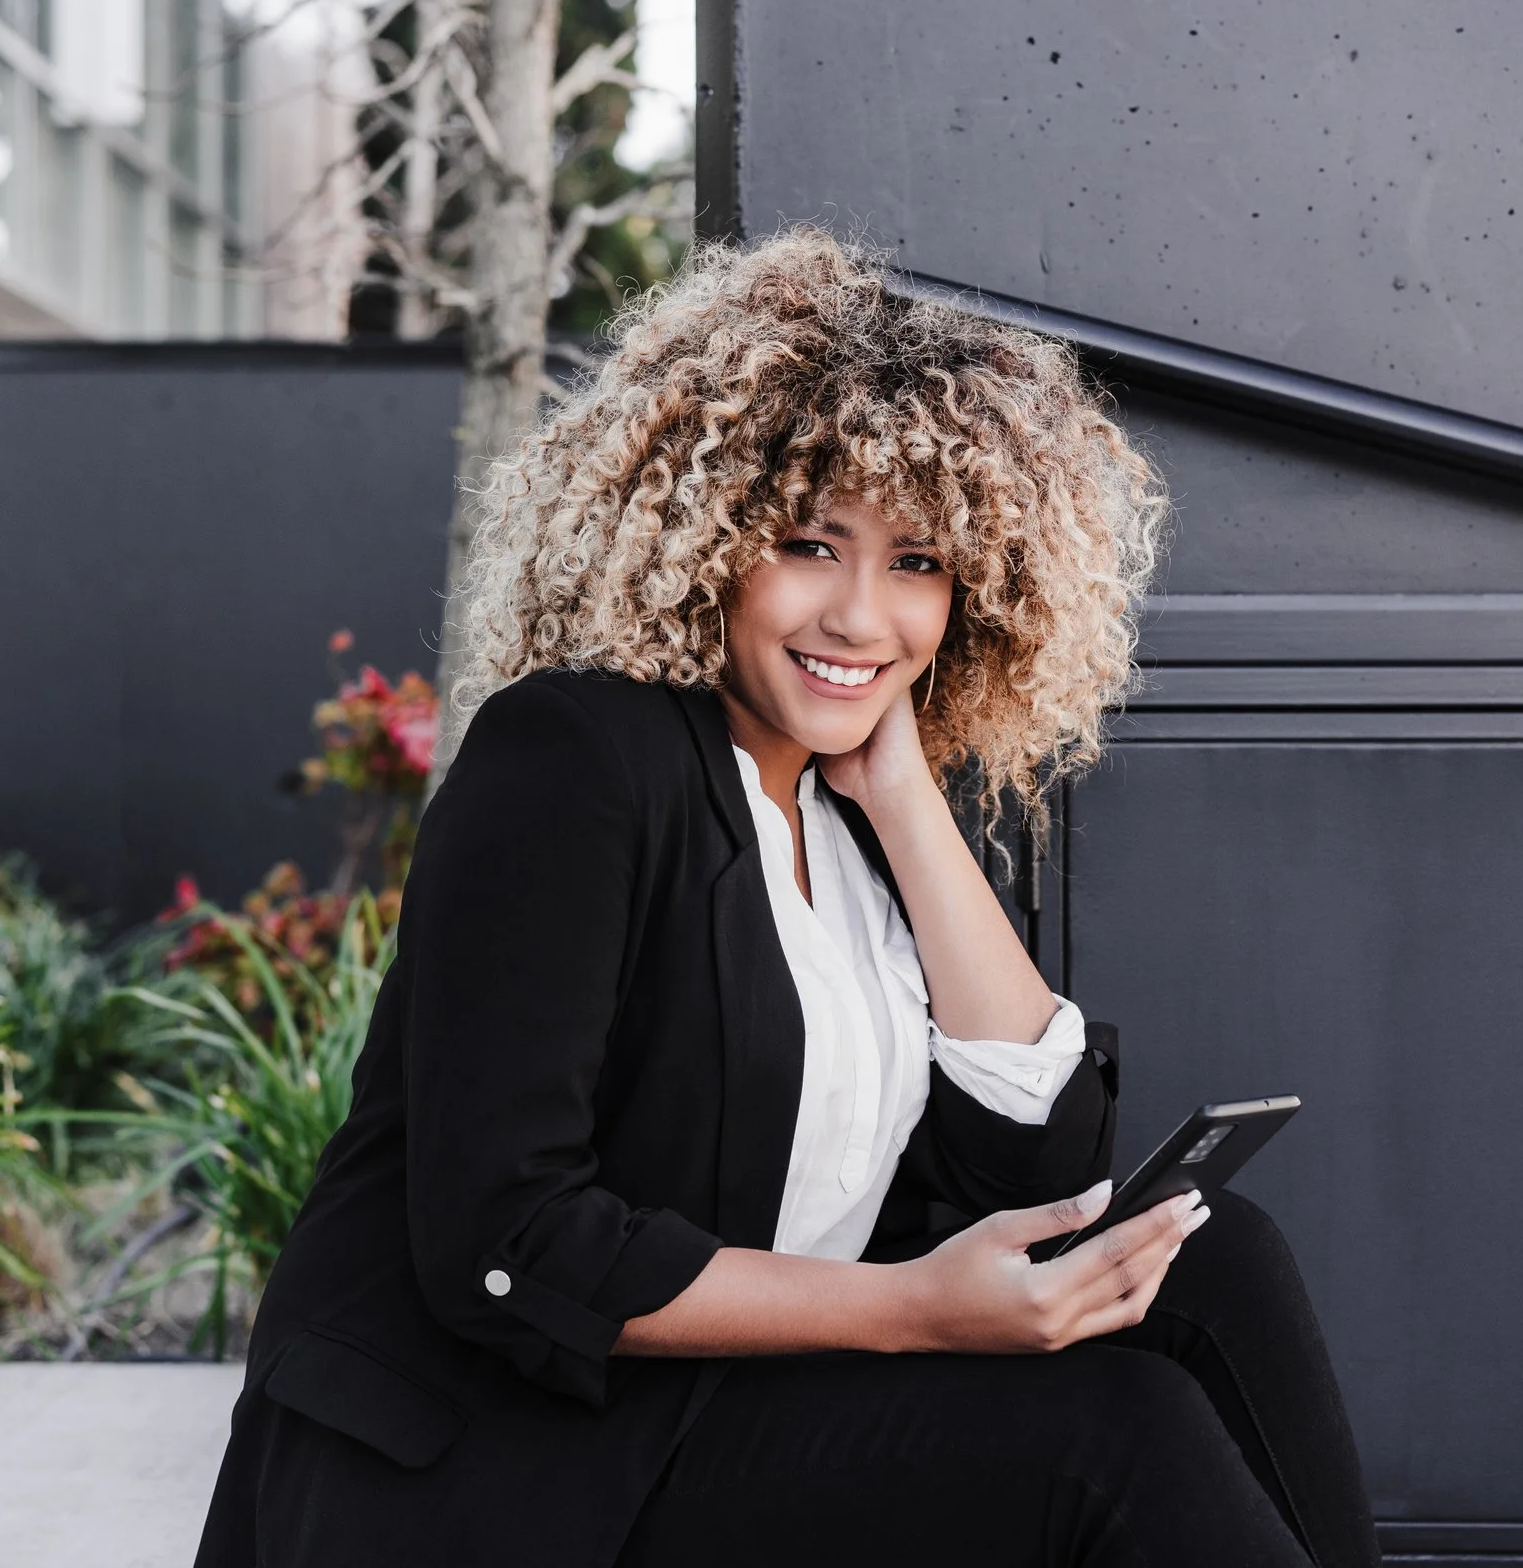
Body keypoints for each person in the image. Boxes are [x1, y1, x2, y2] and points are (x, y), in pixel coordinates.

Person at [193, 227, 1379, 1568]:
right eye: (814, 544)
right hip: (502, 1463)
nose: (863, 617)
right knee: (1115, 1430)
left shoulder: (849, 815)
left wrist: (903, 797)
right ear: (709, 541)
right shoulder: (575, 758)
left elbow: (1041, 1168)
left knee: (1215, 1254)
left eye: (919, 563)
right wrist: (914, 1309)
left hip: (715, 1416)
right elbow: (507, 1241)